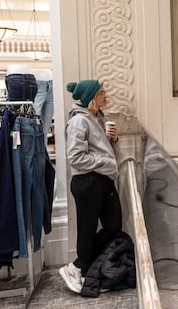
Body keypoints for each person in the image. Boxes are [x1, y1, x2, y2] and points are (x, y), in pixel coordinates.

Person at [59, 79, 121, 294]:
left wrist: (111, 139)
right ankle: (78, 268)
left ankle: (79, 265)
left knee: (114, 224)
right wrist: (105, 162)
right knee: (86, 230)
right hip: (88, 181)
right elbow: (75, 158)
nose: (106, 96)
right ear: (91, 97)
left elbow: (97, 148)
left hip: (102, 179)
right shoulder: (79, 122)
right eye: (102, 93)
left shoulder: (97, 117)